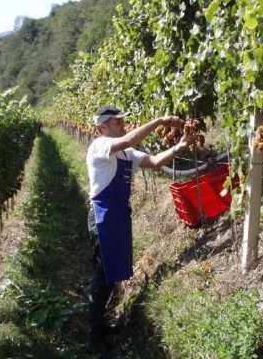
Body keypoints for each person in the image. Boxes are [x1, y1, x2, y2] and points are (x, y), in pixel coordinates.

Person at [86, 106, 188, 354]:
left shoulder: (127, 154)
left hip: (119, 214)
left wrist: (180, 147)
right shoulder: (99, 146)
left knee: (112, 274)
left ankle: (100, 324)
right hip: (103, 217)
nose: (122, 125)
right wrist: (160, 120)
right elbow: (130, 139)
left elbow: (153, 162)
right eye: (116, 122)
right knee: (103, 276)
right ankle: (94, 335)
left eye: (122, 121)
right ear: (103, 127)